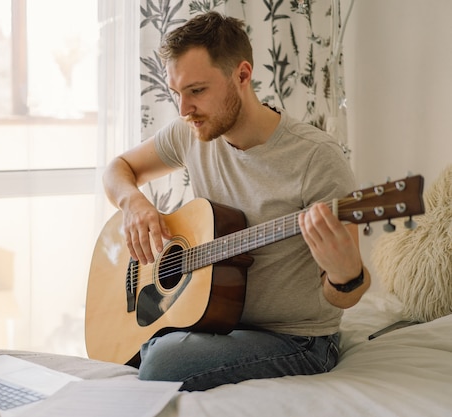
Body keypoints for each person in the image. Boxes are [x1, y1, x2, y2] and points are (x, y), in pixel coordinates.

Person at [102, 11, 370, 392]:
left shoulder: (316, 158)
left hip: (298, 340)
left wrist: (345, 276)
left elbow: (347, 297)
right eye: (177, 93)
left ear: (242, 76)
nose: (183, 109)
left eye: (196, 91)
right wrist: (133, 202)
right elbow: (118, 168)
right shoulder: (190, 133)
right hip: (220, 323)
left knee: (161, 358)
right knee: (149, 350)